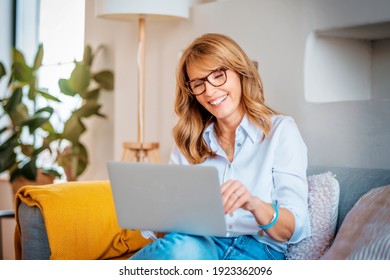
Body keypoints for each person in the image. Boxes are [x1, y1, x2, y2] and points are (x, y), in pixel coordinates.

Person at [130, 33, 310, 260]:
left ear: (240, 73)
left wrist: (254, 204)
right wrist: (158, 216)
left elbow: (294, 228)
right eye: (198, 84)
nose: (210, 91)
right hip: (196, 243)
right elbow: (165, 234)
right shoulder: (189, 142)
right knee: (181, 248)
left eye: (218, 75)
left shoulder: (281, 131)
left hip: (256, 249)